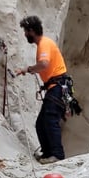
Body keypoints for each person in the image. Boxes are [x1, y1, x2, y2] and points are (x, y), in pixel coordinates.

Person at [14, 15, 69, 161]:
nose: (25, 34)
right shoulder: (43, 44)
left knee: (50, 119)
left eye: (26, 31)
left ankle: (57, 155)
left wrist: (28, 69)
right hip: (55, 86)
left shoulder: (44, 43)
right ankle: (47, 153)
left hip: (57, 86)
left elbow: (44, 64)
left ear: (31, 30)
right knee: (41, 123)